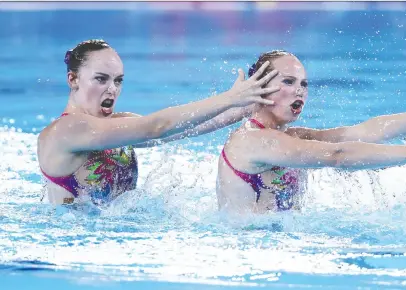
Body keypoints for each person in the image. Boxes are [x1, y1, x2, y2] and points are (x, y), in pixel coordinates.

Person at [216, 50, 406, 215]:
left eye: (304, 83)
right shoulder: (250, 141)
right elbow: (337, 155)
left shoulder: (294, 137)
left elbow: (365, 132)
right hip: (250, 250)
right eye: (289, 81)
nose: (300, 90)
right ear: (260, 85)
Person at [37, 39, 281, 205]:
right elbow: (157, 126)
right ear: (73, 79)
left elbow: (180, 130)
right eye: (101, 79)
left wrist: (246, 106)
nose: (112, 89)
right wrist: (228, 98)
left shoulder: (120, 125)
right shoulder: (66, 130)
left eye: (118, 80)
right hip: (78, 246)